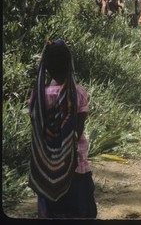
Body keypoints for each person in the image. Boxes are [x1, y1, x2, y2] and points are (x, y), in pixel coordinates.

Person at [28, 39, 97, 219]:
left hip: (44, 162)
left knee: (50, 211)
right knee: (79, 211)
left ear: (46, 67)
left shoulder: (38, 95)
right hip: (73, 162)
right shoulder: (77, 93)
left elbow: (36, 126)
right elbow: (78, 130)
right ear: (70, 65)